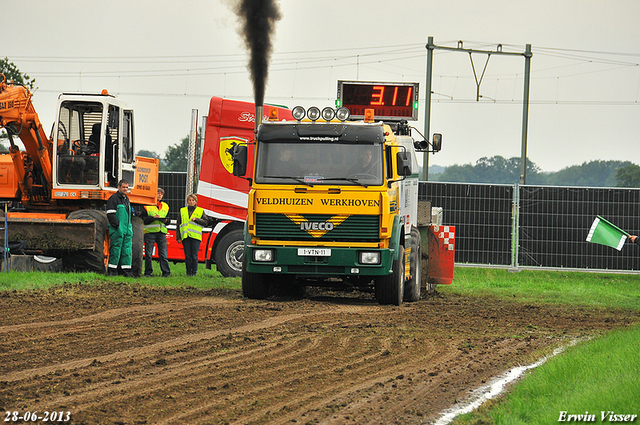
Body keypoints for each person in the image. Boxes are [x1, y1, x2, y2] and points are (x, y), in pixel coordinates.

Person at [177, 193, 214, 276]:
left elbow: (206, 222)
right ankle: (188, 273)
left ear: (196, 201)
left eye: (193, 200)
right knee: (187, 256)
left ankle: (194, 273)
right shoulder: (182, 210)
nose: (191, 202)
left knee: (194, 256)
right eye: (189, 200)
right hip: (185, 236)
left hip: (195, 237)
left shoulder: (200, 211)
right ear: (187, 201)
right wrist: (178, 237)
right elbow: (178, 224)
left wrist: (197, 219)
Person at [141, 187, 171, 277]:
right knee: (148, 254)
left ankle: (166, 273)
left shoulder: (166, 206)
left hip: (161, 232)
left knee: (163, 254)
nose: (159, 195)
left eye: (161, 194)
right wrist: (152, 218)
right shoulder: (146, 205)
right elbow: (142, 219)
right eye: (158, 193)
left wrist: (165, 221)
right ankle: (148, 272)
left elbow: (168, 220)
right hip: (150, 232)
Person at [106, 179, 133, 276]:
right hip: (118, 230)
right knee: (115, 250)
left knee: (127, 250)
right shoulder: (113, 199)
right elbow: (110, 214)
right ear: (119, 187)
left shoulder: (126, 199)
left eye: (127, 187)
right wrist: (117, 226)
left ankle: (127, 272)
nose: (125, 189)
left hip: (127, 230)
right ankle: (112, 271)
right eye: (124, 187)